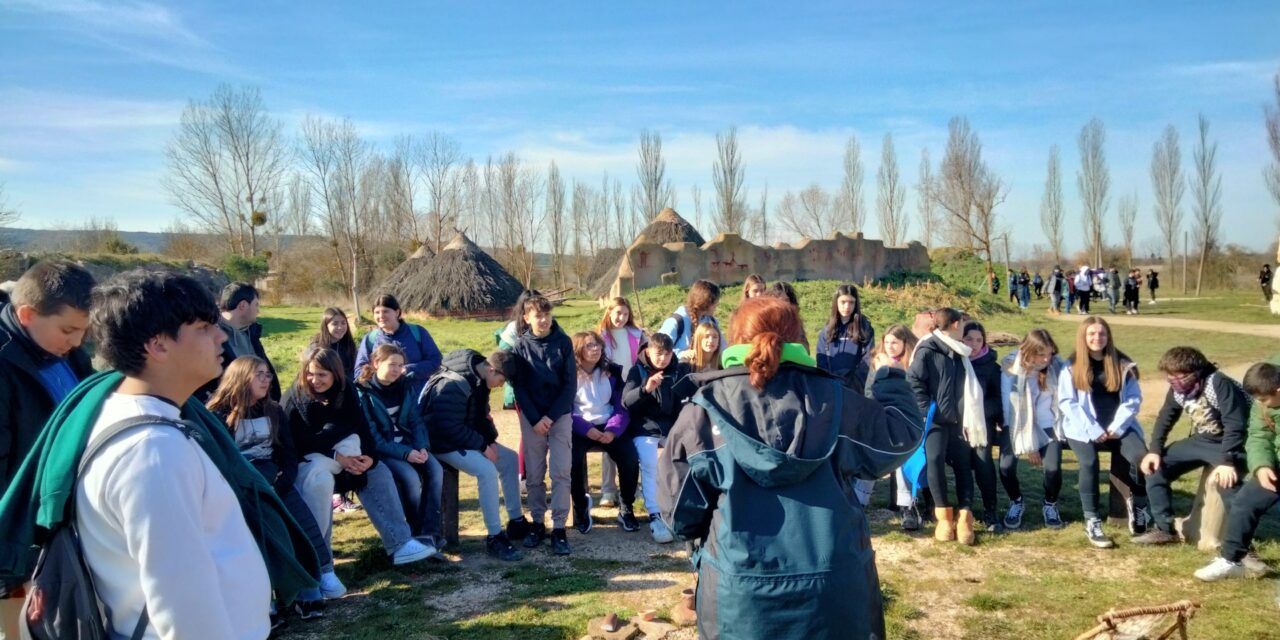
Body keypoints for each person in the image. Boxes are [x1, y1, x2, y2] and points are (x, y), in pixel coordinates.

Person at [1, 270, 318, 639]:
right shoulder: (151, 453)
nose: (220, 336)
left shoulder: (142, 421)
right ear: (158, 345)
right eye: (203, 327)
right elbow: (182, 608)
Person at [660, 296, 923, 640]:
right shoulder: (836, 399)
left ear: (736, 340)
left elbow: (678, 513)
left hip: (739, 594)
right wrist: (889, 376)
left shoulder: (703, 411)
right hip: (834, 590)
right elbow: (898, 437)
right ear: (799, 337)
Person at [208, 356, 344, 618]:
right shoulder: (218, 414)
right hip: (242, 486)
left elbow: (287, 454)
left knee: (302, 527)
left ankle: (312, 587)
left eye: (268, 375)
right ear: (241, 376)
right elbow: (220, 460)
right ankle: (267, 599)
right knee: (261, 535)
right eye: (259, 374)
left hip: (275, 480)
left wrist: (283, 481)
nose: (266, 380)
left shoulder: (273, 410)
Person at [0, 261, 94, 634]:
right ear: (26, 315)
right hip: (18, 538)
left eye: (84, 332)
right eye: (68, 330)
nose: (76, 342)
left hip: (62, 526)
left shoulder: (68, 352)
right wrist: (13, 557)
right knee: (19, 630)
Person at [286, 347, 436, 566]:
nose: (314, 380)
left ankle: (400, 544)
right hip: (309, 460)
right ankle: (321, 563)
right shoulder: (295, 398)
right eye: (310, 373)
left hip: (348, 456)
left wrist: (369, 458)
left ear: (335, 375)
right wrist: (338, 457)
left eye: (322, 375)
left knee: (379, 472)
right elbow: (299, 440)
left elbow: (361, 428)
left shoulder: (345, 392)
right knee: (320, 482)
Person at [1134, 347, 1250, 545]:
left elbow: (1236, 424)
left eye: (1179, 376)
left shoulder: (1218, 383)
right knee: (1155, 468)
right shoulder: (1179, 389)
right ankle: (1165, 529)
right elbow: (1165, 417)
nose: (1174, 381)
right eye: (1170, 377)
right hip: (1201, 440)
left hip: (1234, 443)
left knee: (1229, 486)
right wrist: (1154, 451)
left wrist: (1228, 460)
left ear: (1196, 372)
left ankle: (1243, 547)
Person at [421, 349, 526, 561]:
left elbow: (480, 414)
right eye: (501, 380)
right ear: (491, 369)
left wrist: (489, 440)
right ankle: (495, 536)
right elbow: (446, 426)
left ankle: (516, 521)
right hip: (441, 443)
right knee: (486, 471)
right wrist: (482, 445)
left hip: (463, 438)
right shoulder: (454, 384)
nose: (501, 385)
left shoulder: (479, 376)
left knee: (510, 459)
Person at [1058, 316, 1148, 548]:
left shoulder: (1122, 364)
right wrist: (1093, 428)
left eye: (1101, 334)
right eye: (1091, 334)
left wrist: (1116, 427)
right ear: (1083, 337)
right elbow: (1067, 402)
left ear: (1108, 337)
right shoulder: (1070, 367)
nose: (1097, 338)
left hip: (1118, 427)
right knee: (1089, 462)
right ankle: (1092, 520)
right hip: (1081, 429)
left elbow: (1133, 399)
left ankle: (1137, 508)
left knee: (1140, 457)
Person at [1195, 361, 1280, 586]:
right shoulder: (1264, 396)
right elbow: (1259, 435)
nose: (1260, 404)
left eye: (1263, 400)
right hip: (1275, 465)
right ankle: (1231, 561)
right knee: (1244, 502)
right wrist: (1262, 466)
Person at [355, 344, 445, 551]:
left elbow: (416, 421)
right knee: (411, 479)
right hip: (385, 450)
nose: (397, 369)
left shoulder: (405, 385)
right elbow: (373, 438)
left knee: (435, 470)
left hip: (410, 444)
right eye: (392, 364)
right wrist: (406, 454)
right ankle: (415, 531)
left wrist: (422, 446)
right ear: (376, 364)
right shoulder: (363, 392)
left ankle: (431, 532)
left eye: (400, 365)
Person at [908, 308, 987, 545]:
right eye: (962, 324)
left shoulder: (960, 353)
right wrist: (926, 410)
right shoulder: (928, 349)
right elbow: (913, 381)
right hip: (935, 421)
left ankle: (965, 517)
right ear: (954, 324)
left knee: (964, 465)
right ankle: (943, 516)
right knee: (934, 460)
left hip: (961, 422)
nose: (964, 329)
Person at [510, 294, 576, 554]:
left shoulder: (563, 342)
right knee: (535, 475)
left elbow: (570, 384)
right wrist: (536, 419)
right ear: (527, 318)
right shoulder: (520, 346)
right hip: (532, 418)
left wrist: (551, 416)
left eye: (547, 314)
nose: (544, 320)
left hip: (559, 416)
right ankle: (538, 522)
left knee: (561, 471)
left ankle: (559, 527)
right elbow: (520, 387)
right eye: (538, 315)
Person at [622, 333, 693, 544]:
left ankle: (678, 508)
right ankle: (655, 514)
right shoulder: (638, 370)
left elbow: (682, 403)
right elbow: (626, 402)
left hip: (669, 428)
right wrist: (646, 389)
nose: (662, 359)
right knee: (650, 462)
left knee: (688, 456)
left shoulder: (679, 371)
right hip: (644, 428)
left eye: (667, 354)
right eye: (658, 353)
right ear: (649, 351)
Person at [567, 332, 638, 535]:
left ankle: (626, 507)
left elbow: (622, 406)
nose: (596, 349)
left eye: (598, 345)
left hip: (609, 426)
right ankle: (581, 506)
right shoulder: (568, 375)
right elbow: (565, 409)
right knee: (572, 461)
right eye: (590, 346)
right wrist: (586, 429)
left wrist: (612, 430)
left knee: (630, 459)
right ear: (578, 350)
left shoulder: (612, 372)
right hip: (580, 427)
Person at [999, 329, 1068, 530]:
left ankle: (1050, 503)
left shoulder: (1057, 366)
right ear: (1028, 351)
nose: (1046, 359)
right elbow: (1009, 405)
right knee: (1006, 466)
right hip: (1016, 423)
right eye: (1041, 354)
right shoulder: (1010, 368)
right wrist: (1029, 444)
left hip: (1048, 424)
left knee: (1053, 468)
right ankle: (1016, 500)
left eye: (1050, 353)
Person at [865, 325, 920, 528]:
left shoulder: (912, 364)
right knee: (870, 455)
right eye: (887, 342)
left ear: (905, 343)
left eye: (894, 342)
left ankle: (908, 507)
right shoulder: (877, 362)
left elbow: (914, 395)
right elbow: (869, 391)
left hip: (905, 419)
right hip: (880, 417)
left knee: (904, 459)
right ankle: (859, 501)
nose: (889, 347)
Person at [597, 297, 644, 508]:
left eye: (625, 314)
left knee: (634, 439)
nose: (621, 318)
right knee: (611, 438)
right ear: (609, 312)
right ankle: (608, 489)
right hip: (610, 391)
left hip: (633, 390)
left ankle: (634, 487)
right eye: (617, 313)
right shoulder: (600, 336)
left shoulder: (637, 334)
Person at [199, 282, 280, 401]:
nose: (258, 311)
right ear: (242, 305)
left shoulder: (251, 333)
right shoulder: (211, 339)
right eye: (256, 305)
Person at [962, 322, 1004, 532]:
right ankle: (963, 509)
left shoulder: (990, 365)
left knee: (983, 460)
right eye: (969, 339)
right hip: (957, 423)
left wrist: (980, 411)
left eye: (979, 340)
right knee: (959, 461)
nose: (974, 344)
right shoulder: (956, 361)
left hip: (981, 424)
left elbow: (998, 399)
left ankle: (990, 509)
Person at [354, 294, 442, 381]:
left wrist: (408, 370)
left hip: (416, 392)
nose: (381, 316)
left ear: (397, 312)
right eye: (377, 312)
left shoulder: (417, 332)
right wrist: (382, 377)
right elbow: (359, 370)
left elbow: (435, 360)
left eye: (385, 311)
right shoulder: (370, 339)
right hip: (382, 393)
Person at [815, 284, 875, 391]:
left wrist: (854, 382)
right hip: (831, 386)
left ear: (856, 304)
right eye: (843, 302)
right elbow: (821, 359)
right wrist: (828, 380)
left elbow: (868, 358)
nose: (847, 307)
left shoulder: (864, 328)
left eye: (851, 302)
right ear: (836, 303)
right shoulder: (827, 330)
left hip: (855, 388)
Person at [658, 279, 721, 358]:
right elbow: (659, 349)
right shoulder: (676, 322)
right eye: (715, 302)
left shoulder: (711, 321)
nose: (717, 306)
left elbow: (722, 347)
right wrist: (682, 354)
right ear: (707, 303)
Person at [307, 307, 357, 375]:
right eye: (335, 324)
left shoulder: (349, 344)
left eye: (343, 323)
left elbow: (354, 369)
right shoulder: (316, 347)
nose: (340, 327)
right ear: (326, 326)